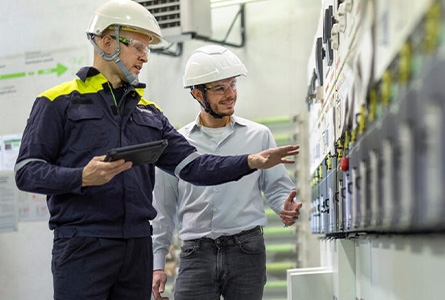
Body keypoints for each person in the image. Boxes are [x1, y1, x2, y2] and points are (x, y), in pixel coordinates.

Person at [13, 1, 299, 299]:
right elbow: (26, 171)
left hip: (136, 246)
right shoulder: (58, 102)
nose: (144, 57)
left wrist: (252, 160)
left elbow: (195, 168)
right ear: (107, 42)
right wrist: (81, 177)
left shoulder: (149, 113)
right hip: (83, 244)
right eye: (138, 47)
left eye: (147, 49)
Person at [150, 45, 303, 300]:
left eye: (233, 84)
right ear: (198, 94)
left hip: (247, 251)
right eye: (220, 88)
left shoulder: (259, 135)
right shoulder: (176, 145)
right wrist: (157, 263)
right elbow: (163, 209)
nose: (230, 94)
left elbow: (277, 188)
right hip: (195, 253)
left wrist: (285, 207)